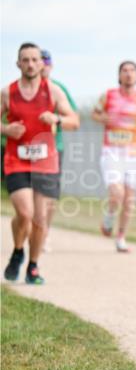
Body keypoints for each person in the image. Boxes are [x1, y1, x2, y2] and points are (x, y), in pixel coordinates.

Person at [2, 43, 80, 284]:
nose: (30, 64)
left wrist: (56, 117)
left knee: (39, 220)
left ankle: (33, 266)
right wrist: (6, 129)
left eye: (35, 60)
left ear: (42, 64)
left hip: (46, 161)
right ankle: (17, 252)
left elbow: (74, 121)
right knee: (24, 213)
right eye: (25, 60)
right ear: (18, 64)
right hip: (17, 159)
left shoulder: (54, 91)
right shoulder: (7, 92)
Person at [91, 60, 136, 252]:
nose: (128, 74)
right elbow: (94, 114)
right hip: (112, 151)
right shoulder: (108, 96)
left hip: (134, 153)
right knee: (117, 193)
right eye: (125, 70)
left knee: (130, 198)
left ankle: (121, 237)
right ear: (119, 75)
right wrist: (103, 118)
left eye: (132, 71)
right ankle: (109, 217)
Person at [40, 49, 80, 252]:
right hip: (25, 150)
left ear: (51, 65)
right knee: (27, 197)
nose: (42, 65)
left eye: (46, 62)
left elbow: (74, 121)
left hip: (54, 149)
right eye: (39, 61)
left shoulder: (58, 89)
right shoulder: (16, 90)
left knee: (49, 196)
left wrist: (57, 119)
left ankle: (44, 233)